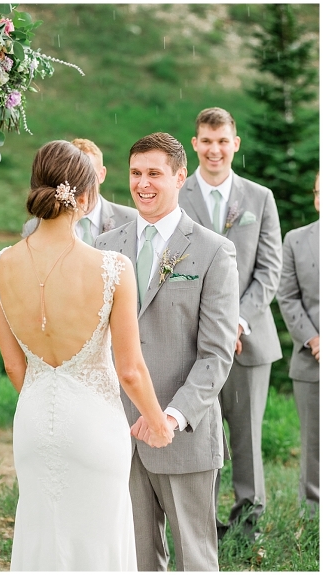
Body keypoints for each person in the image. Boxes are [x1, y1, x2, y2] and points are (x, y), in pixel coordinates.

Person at [0, 140, 173, 571]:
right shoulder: (113, 268)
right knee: (98, 544)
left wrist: (46, 396)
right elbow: (130, 370)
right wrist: (158, 422)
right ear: (86, 198)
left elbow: (14, 365)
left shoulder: (1, 265)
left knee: (42, 538)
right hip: (95, 427)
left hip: (33, 424)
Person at [96, 132, 239, 570]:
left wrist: (171, 418)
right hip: (119, 433)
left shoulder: (214, 251)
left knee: (196, 560)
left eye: (154, 174)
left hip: (183, 433)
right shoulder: (104, 248)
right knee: (136, 561)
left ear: (180, 177)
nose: (143, 184)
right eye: (136, 173)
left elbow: (216, 355)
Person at [178, 107, 283, 537]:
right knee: (200, 436)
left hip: (248, 339)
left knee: (247, 436)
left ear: (235, 144)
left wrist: (237, 321)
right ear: (195, 144)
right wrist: (210, 327)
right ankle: (203, 523)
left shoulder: (260, 198)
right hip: (192, 342)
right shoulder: (176, 195)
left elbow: (269, 270)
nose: (215, 149)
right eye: (206, 141)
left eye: (222, 141)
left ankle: (248, 523)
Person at [277, 173, 319, 515]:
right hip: (311, 360)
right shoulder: (295, 240)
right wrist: (314, 339)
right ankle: (313, 515)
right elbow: (288, 297)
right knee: (314, 443)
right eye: (320, 192)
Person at [21, 137, 136, 239]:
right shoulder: (34, 227)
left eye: (88, 175)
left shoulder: (132, 220)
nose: (81, 183)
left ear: (102, 174)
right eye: (75, 176)